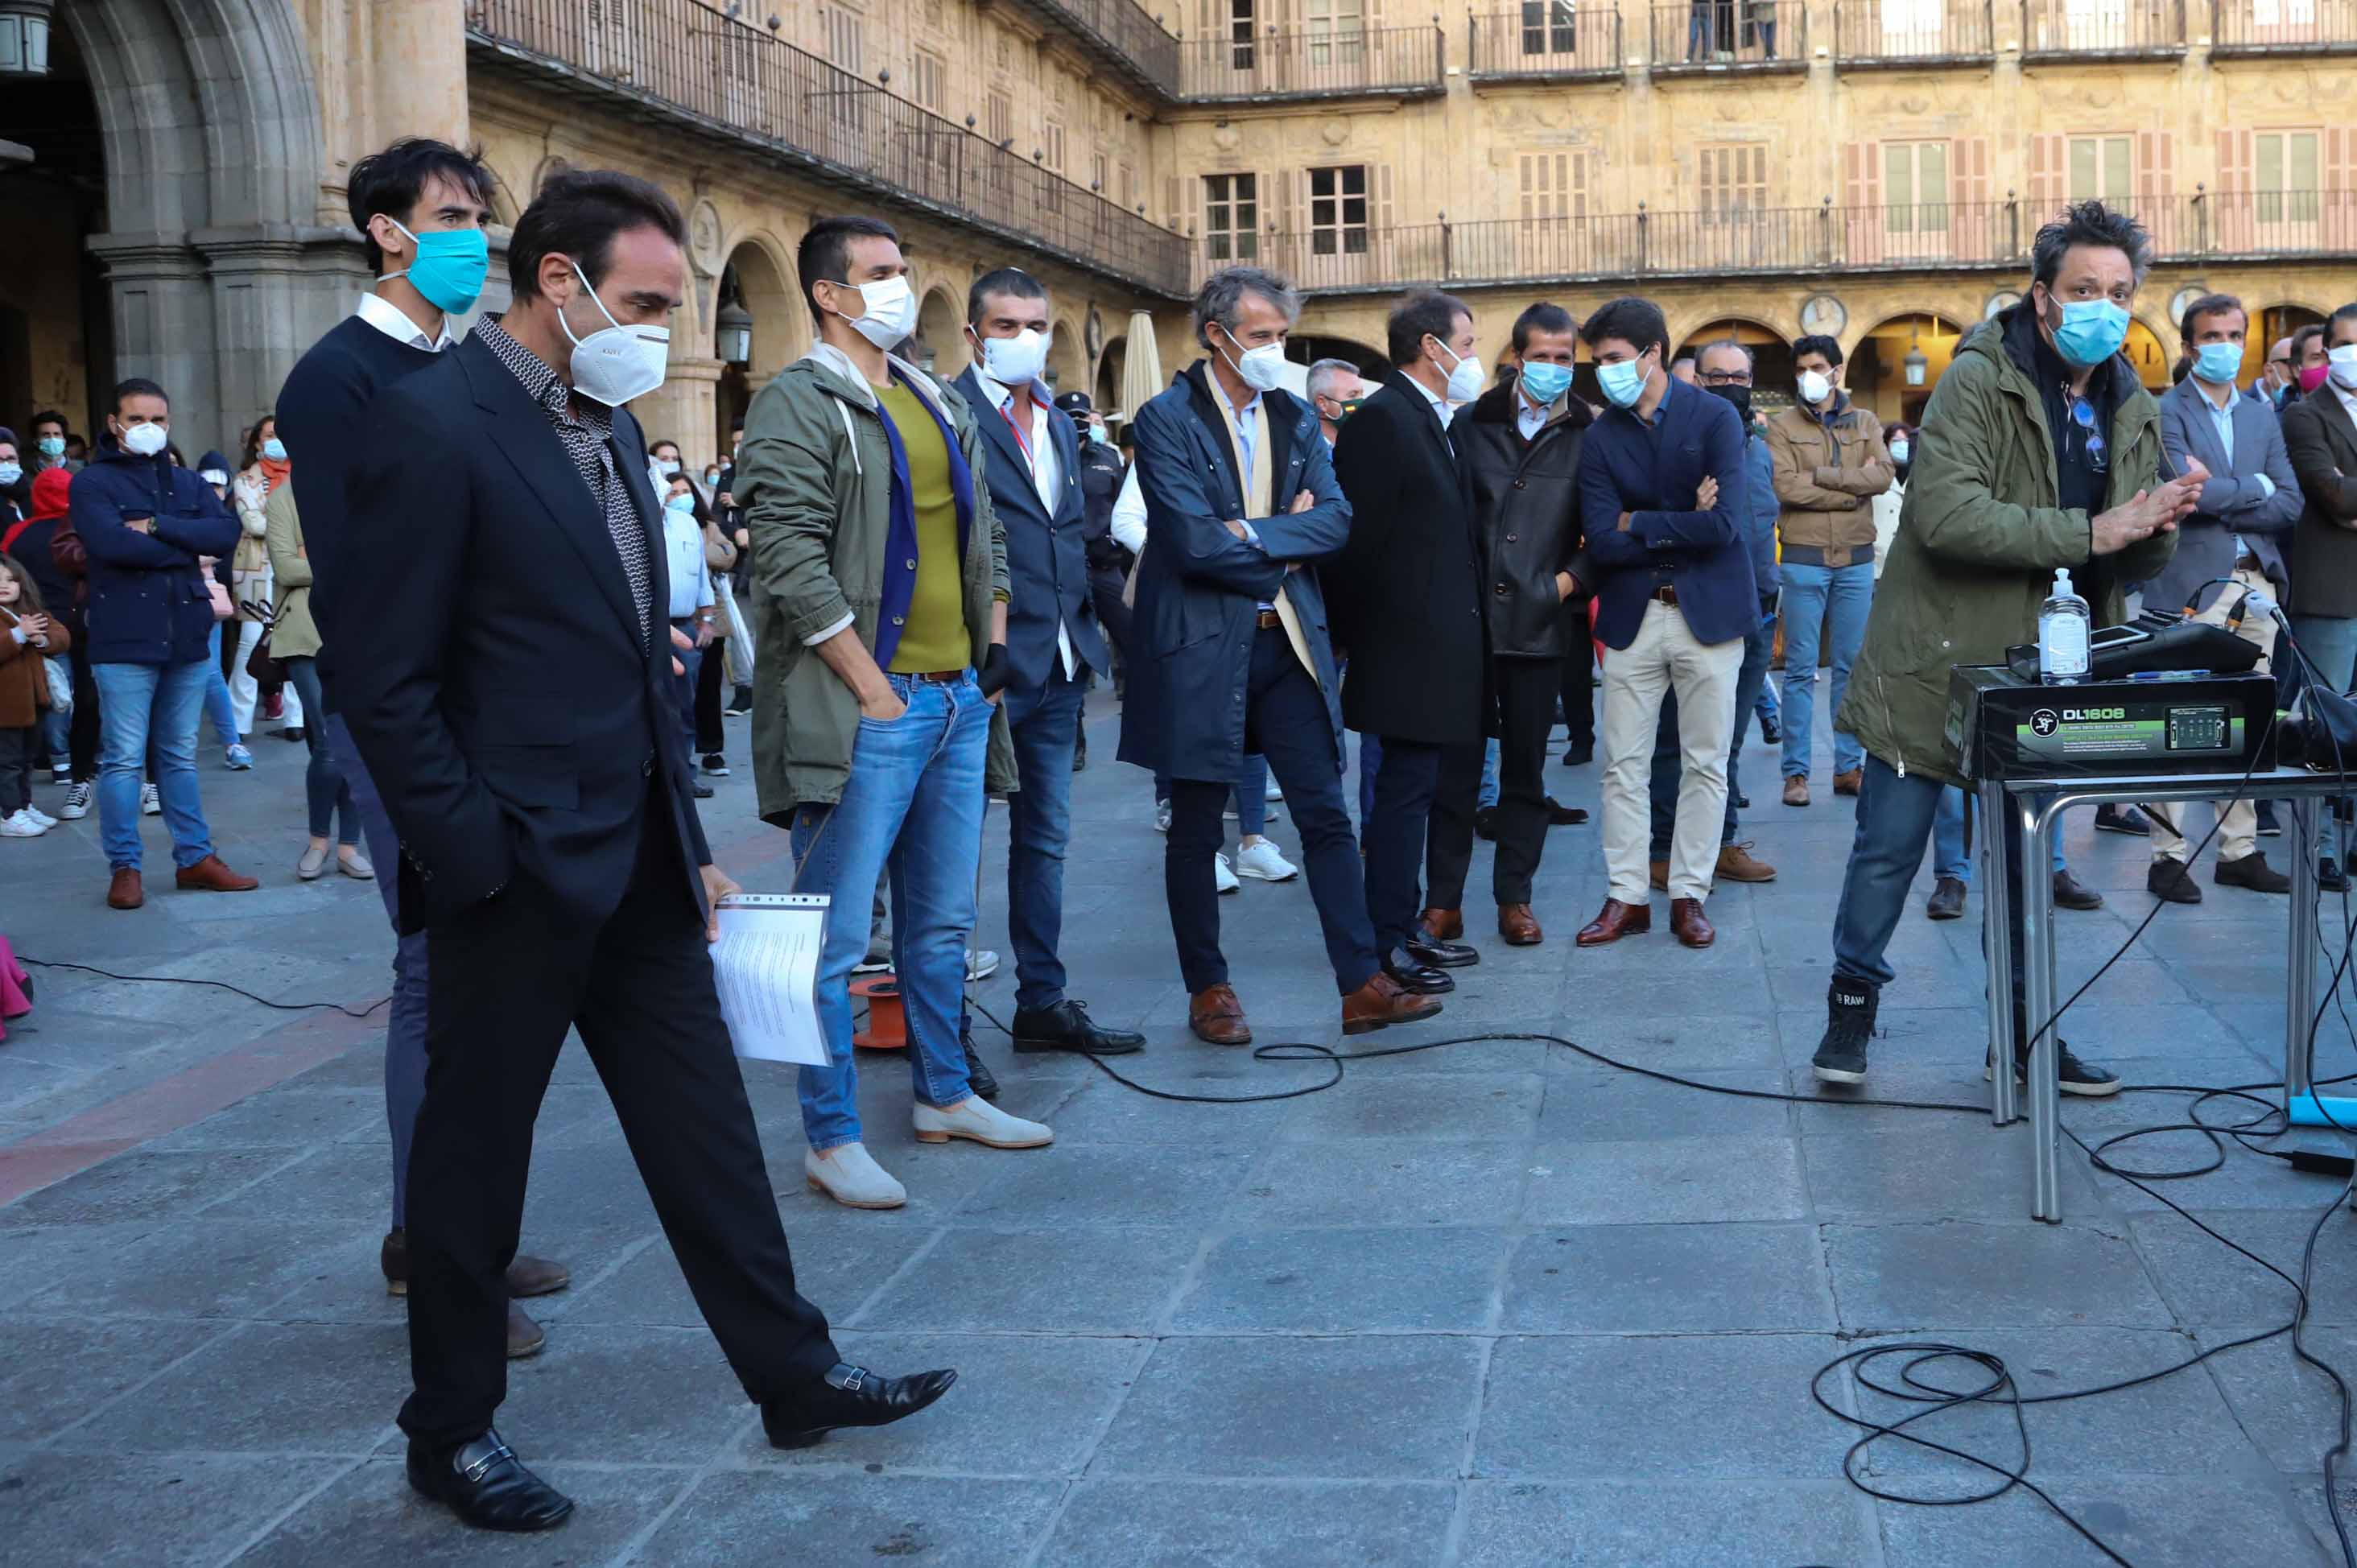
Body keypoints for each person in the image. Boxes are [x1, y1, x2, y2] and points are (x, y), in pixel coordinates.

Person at [327, 173, 954, 1532]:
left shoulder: (603, 422)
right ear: (560, 281)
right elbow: (384, 681)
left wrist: (688, 835)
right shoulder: (430, 425)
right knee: (473, 1159)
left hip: (644, 864)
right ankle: (450, 1430)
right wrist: (472, 852)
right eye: (651, 302)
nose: (668, 333)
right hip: (512, 868)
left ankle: (795, 1373)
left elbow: (634, 657)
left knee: (707, 1132)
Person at [279, 138, 571, 1359]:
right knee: (435, 980)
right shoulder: (338, 379)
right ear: (387, 232)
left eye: (479, 217)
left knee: (481, 976)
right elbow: (372, 584)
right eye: (451, 215)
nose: (471, 238)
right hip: (413, 720)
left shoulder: (469, 365)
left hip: (494, 709)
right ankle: (438, 1257)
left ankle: (458, 1236)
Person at [1814, 200, 2206, 1093]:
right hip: (1935, 659)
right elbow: (1947, 516)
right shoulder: (1977, 379)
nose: (2103, 306)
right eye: (2083, 289)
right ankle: (1851, 1011)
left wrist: (2161, 522)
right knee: (1889, 850)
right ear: (2042, 298)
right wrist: (2096, 531)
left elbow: (2127, 545)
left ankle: (2024, 1033)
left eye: (2118, 291)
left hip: (2049, 674)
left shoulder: (2129, 401)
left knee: (2031, 860)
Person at [737, 213, 1051, 1211]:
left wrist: (990, 644)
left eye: (903, 270)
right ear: (828, 294)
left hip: (958, 697)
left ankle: (944, 1095)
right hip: (865, 709)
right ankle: (830, 1137)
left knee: (942, 923)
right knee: (830, 940)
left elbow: (985, 528)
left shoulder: (926, 390)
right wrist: (870, 687)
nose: (899, 286)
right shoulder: (799, 399)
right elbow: (784, 553)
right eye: (878, 273)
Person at [1120, 265, 1438, 1044]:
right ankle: (1210, 989)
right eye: (1261, 336)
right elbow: (1190, 542)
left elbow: (1336, 521)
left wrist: (1250, 535)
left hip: (1288, 643)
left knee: (1325, 815)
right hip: (1199, 646)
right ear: (1216, 336)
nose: (1274, 350)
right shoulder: (1165, 418)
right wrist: (1280, 540)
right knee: (1197, 828)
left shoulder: (1296, 416)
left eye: (1281, 336)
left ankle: (1361, 980)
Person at [956, 271, 1145, 1057]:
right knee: (953, 852)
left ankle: (1043, 999)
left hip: (1062, 660)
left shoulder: (1063, 427)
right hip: (988, 667)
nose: (1025, 338)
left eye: (1036, 323)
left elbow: (1072, 533)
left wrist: (1094, 629)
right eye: (1006, 324)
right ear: (973, 335)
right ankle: (948, 1027)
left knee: (1046, 841)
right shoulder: (948, 411)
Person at [1569, 296, 1757, 952]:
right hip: (1632, 617)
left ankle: (1688, 895)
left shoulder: (1715, 418)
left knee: (1706, 764)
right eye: (1598, 363)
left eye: (1615, 360)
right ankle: (1625, 898)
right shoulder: (1601, 435)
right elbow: (1598, 536)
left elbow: (1726, 525)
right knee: (1623, 765)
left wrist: (1637, 521)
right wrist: (1680, 515)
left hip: (1709, 614)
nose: (1605, 374)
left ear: (1652, 353)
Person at [1330, 291, 1488, 986]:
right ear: (1433, 346)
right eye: (1469, 342)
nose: (1475, 356)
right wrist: (1363, 640)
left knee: (1418, 790)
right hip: (1402, 648)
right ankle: (1386, 938)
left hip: (1438, 647)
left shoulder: (1428, 417)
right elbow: (1358, 543)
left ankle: (1400, 928)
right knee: (1400, 797)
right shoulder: (1383, 420)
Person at [1435, 302, 1594, 946]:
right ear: (1517, 358)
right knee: (1456, 771)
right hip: (1469, 624)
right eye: (1543, 357)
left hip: (1539, 624)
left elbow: (1602, 531)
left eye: (1565, 358)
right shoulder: (1470, 424)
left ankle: (1514, 899)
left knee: (1527, 770)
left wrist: (1562, 585)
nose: (1554, 368)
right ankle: (1442, 902)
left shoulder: (1590, 432)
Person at [74, 378, 260, 909]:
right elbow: (111, 546)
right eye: (136, 419)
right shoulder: (92, 484)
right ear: (114, 424)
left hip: (185, 635)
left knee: (179, 755)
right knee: (124, 759)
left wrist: (154, 525)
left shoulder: (186, 481)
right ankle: (125, 867)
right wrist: (184, 545)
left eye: (158, 420)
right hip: (124, 639)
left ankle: (194, 857)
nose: (149, 429)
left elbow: (224, 536)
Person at [2141, 292, 2301, 902]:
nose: (2225, 347)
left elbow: (2289, 498)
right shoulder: (2167, 410)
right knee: (2180, 715)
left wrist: (2231, 489)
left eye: (2235, 335)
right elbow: (2186, 493)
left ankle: (2240, 851)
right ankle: (2166, 855)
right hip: (2190, 583)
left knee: (2249, 714)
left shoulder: (2263, 416)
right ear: (2188, 346)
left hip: (2255, 579)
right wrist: (2250, 488)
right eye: (2212, 336)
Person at [1644, 337, 1781, 893]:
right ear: (1697, 381)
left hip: (1757, 609)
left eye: (1740, 376)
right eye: (1717, 376)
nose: (1730, 385)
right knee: (1678, 739)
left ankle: (1721, 842)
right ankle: (1660, 849)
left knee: (1727, 740)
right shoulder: (1677, 443)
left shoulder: (1760, 448)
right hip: (1700, 608)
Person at [1765, 333, 1891, 807]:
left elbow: (1883, 476)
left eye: (1816, 367)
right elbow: (1784, 486)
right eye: (1800, 369)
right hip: (1802, 559)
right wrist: (1848, 491)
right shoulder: (1781, 426)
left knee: (1851, 667)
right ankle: (1795, 774)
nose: (1807, 377)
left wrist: (1821, 478)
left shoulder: (1865, 421)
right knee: (1798, 670)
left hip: (1856, 560)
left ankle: (1848, 767)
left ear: (1838, 371)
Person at [2283, 302, 2357, 890]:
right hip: (2331, 592)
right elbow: (2332, 496)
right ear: (2328, 351)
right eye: (2348, 343)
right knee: (2326, 723)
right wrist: (2342, 494)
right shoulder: (2307, 417)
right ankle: (2323, 847)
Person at [261, 482, 369, 881]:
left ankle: (348, 847)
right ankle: (319, 841)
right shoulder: (284, 496)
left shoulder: (357, 487)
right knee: (329, 741)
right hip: (304, 634)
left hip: (359, 631)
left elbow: (381, 556)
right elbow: (287, 568)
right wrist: (345, 561)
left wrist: (318, 558)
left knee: (355, 742)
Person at [229, 414, 302, 741]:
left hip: (295, 568)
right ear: (258, 441)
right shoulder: (245, 479)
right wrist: (292, 530)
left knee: (299, 643)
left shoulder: (303, 474)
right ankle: (238, 722)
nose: (276, 440)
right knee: (250, 642)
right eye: (270, 434)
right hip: (257, 569)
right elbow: (253, 524)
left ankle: (297, 720)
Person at [657, 472, 719, 799]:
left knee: (684, 706)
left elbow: (700, 575)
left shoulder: (686, 524)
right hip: (648, 627)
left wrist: (707, 618)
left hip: (685, 628)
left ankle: (685, 775)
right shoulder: (633, 522)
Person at [0, 555, 68, 838]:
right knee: (8, 762)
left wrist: (41, 638)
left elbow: (61, 635)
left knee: (27, 758)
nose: (4, 585)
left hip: (34, 701)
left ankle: (24, 805)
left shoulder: (30, 610)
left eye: (10, 579)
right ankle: (8, 812)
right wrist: (18, 635)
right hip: (5, 706)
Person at [1306, 356, 1369, 448]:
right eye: (1353, 395)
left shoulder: (1367, 445)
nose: (1361, 402)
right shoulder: (1301, 451)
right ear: (1323, 403)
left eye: (1361, 394)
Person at [28, 411, 77, 476]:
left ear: (64, 440)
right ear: (35, 442)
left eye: (57, 434)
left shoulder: (79, 473)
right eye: (45, 435)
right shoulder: (25, 475)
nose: (52, 439)